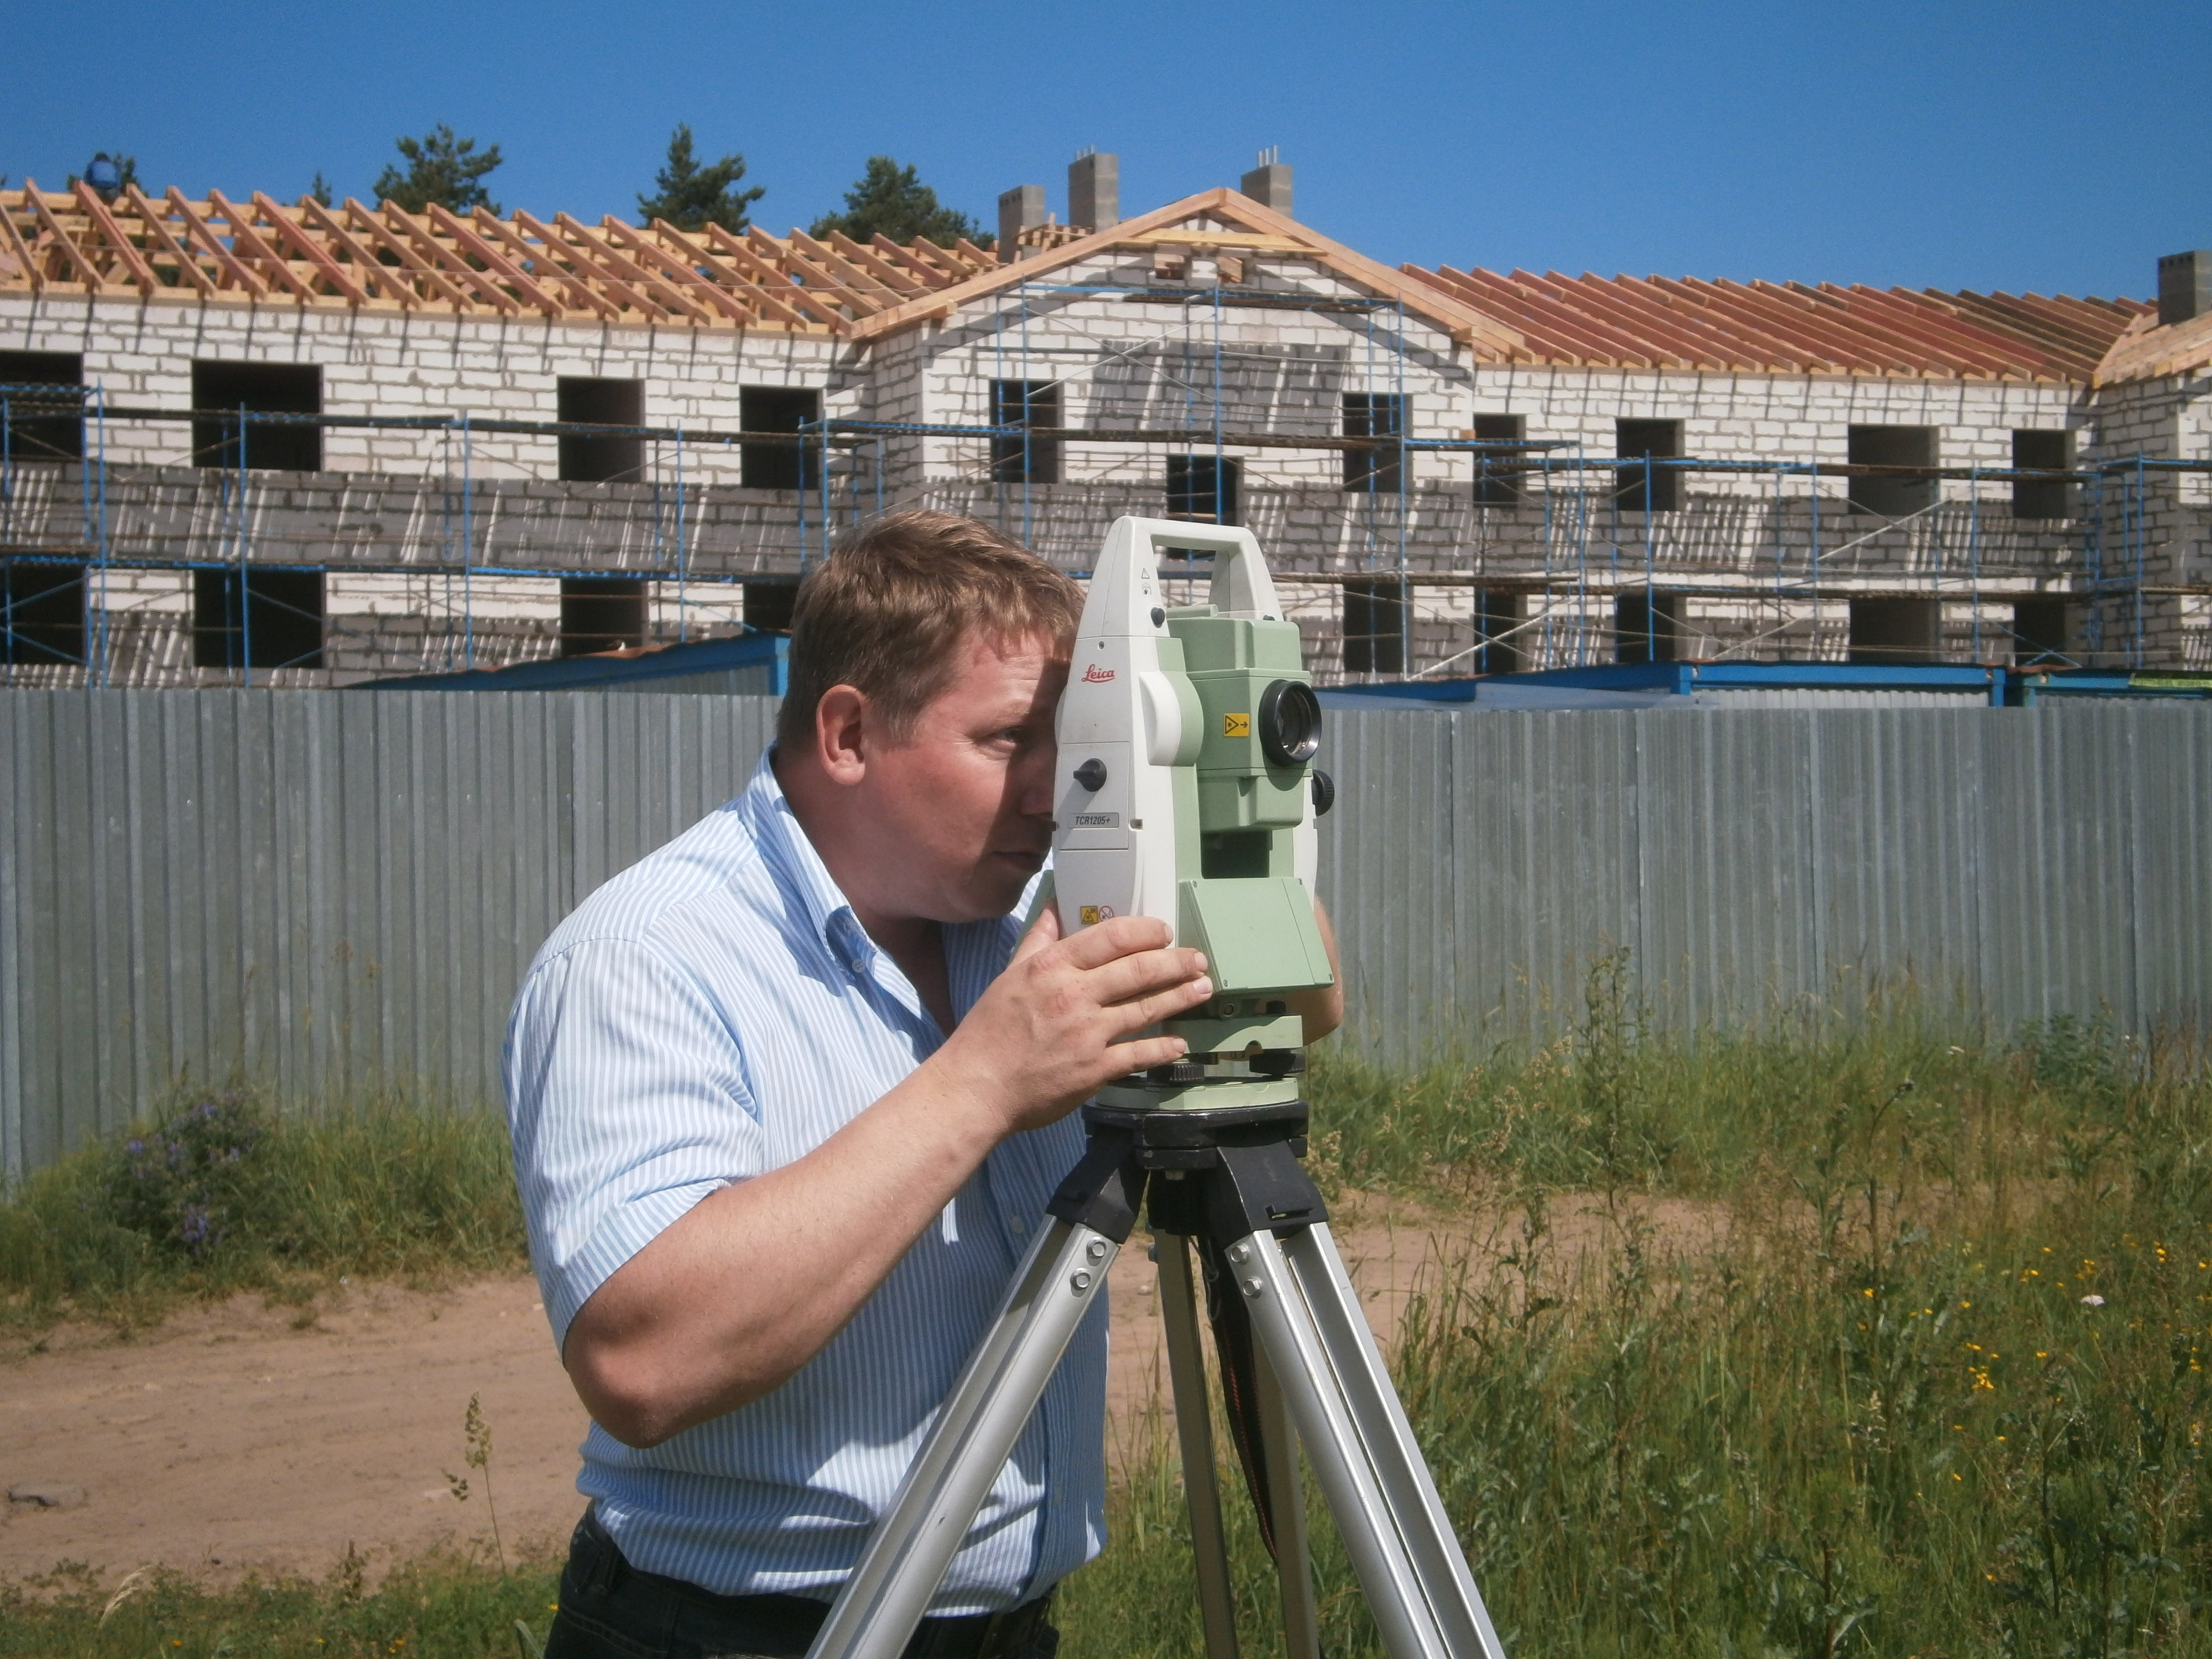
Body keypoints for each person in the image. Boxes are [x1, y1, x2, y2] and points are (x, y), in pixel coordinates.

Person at [506, 511, 1340, 1659]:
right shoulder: (648, 957)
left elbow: (1313, 1002)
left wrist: (1209, 803)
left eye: (1077, 741)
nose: (1057, 791)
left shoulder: (1027, 923)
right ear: (848, 733)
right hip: (738, 1633)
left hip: (1008, 1630)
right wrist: (982, 1083)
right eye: (1009, 743)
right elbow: (641, 1364)